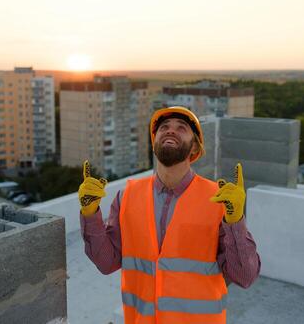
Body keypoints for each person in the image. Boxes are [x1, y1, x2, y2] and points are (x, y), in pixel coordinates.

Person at [78, 106, 260, 324]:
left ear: (194, 148)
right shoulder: (126, 196)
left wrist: (235, 221)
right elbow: (107, 263)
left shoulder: (219, 200)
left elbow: (245, 276)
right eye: (164, 127)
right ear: (154, 144)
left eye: (181, 128)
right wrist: (90, 214)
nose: (170, 130)